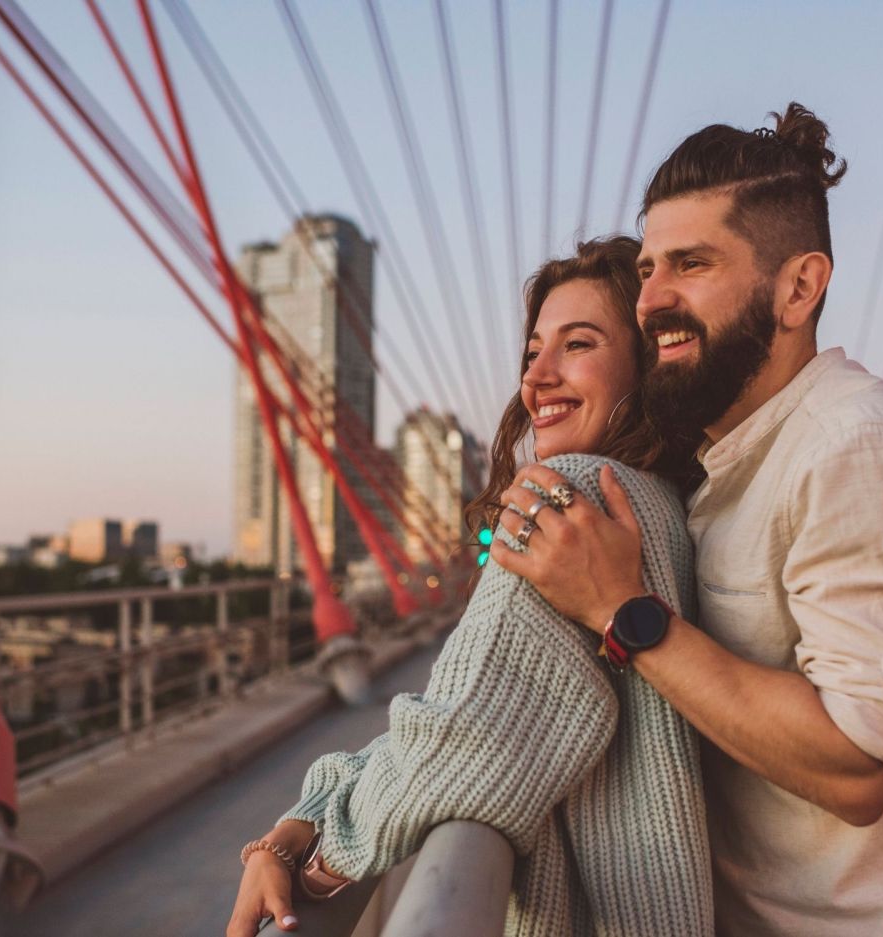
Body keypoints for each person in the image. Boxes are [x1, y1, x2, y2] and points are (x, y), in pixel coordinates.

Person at [492, 104, 883, 936]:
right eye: (651, 266)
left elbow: (857, 765)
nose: (652, 299)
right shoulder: (724, 465)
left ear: (799, 287)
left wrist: (624, 611)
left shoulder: (861, 447)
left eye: (691, 265)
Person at [226, 237, 714, 937]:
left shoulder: (568, 502)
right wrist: (306, 811)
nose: (536, 378)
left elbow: (458, 743)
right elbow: (471, 706)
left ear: (644, 366)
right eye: (532, 352)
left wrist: (309, 858)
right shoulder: (659, 505)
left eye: (577, 344)